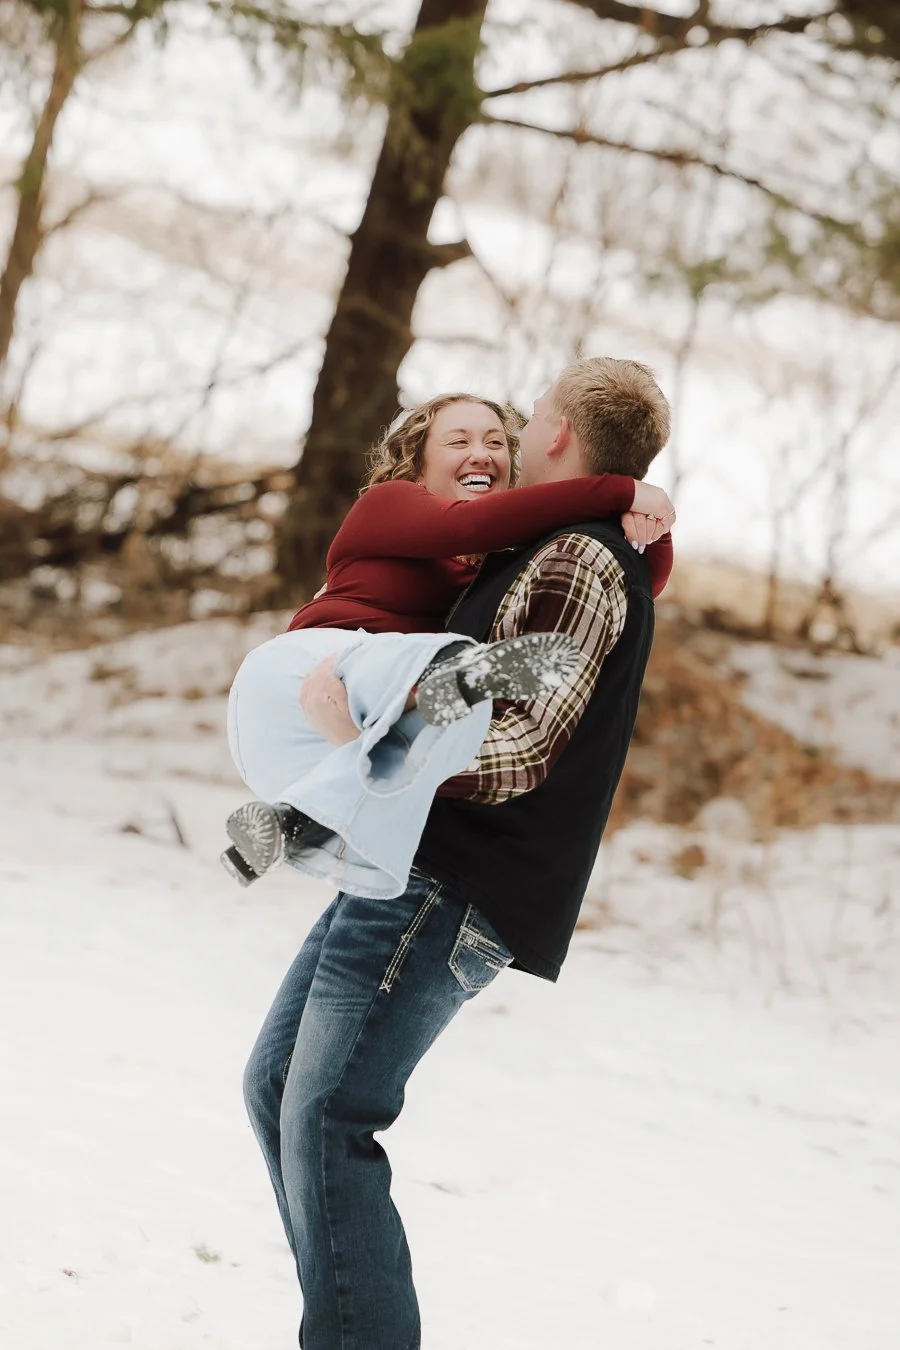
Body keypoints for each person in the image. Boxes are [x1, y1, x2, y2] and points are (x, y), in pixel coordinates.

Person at [241, 358, 674, 1350]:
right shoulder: (541, 550)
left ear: (557, 433)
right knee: (280, 1092)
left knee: (329, 1117)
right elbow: (478, 683)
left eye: (525, 421)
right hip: (408, 865)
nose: (506, 441)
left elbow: (520, 743)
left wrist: (370, 737)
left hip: (456, 883)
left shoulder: (576, 560)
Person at [223, 392, 674, 898]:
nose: (481, 453)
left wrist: (652, 531)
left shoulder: (495, 568)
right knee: (421, 676)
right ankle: (479, 674)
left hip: (315, 748)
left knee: (410, 759)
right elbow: (467, 524)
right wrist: (623, 491)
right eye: (458, 441)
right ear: (416, 464)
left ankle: (287, 827)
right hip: (301, 680)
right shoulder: (389, 503)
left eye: (497, 443)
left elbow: (634, 587)